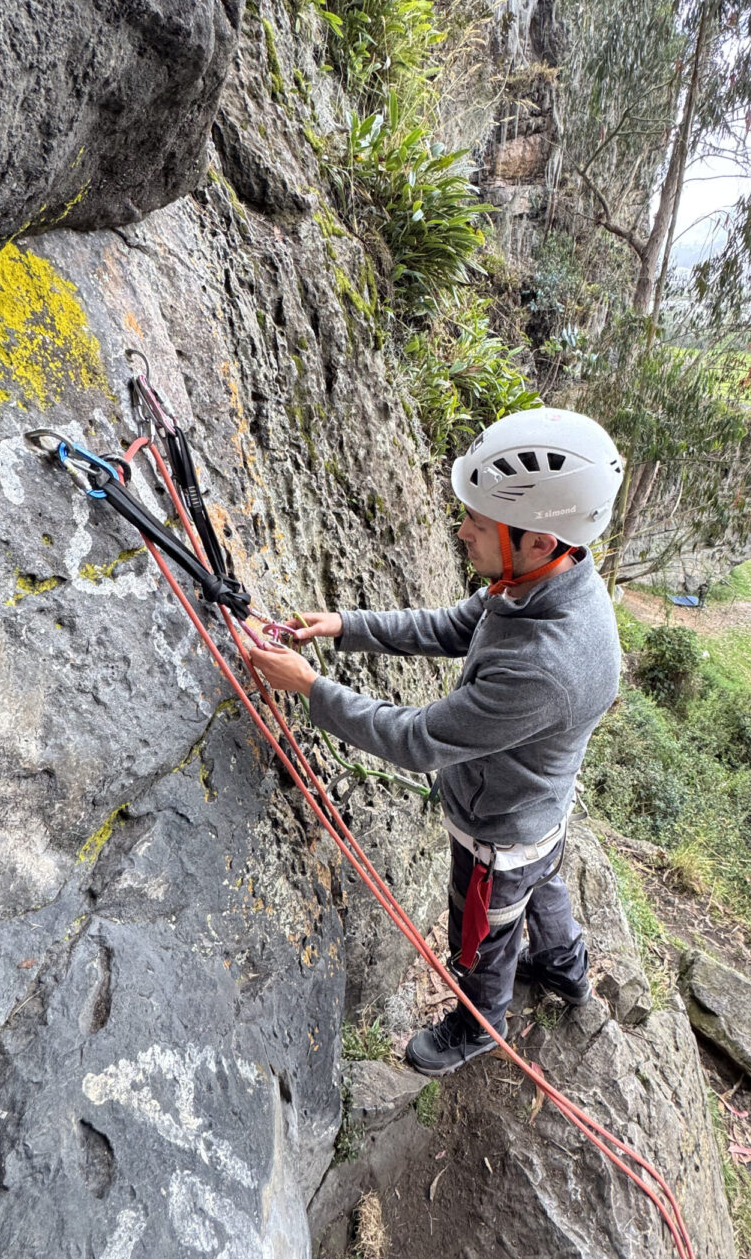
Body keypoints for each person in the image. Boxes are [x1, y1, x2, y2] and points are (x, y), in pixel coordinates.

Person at [246, 408, 624, 1075]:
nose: (462, 530)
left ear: (538, 540)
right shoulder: (548, 583)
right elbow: (457, 625)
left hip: (497, 836)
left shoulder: (544, 664)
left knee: (482, 935)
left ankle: (479, 1025)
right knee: (545, 885)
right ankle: (567, 970)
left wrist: (308, 688)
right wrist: (344, 626)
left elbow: (418, 740)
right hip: (538, 809)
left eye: (478, 523)